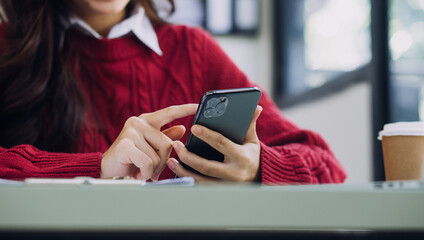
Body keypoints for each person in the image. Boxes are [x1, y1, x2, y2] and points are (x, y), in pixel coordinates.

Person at [0, 0, 346, 184]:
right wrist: (99, 169)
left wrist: (257, 168)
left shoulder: (193, 51)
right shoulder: (7, 48)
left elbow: (328, 167)